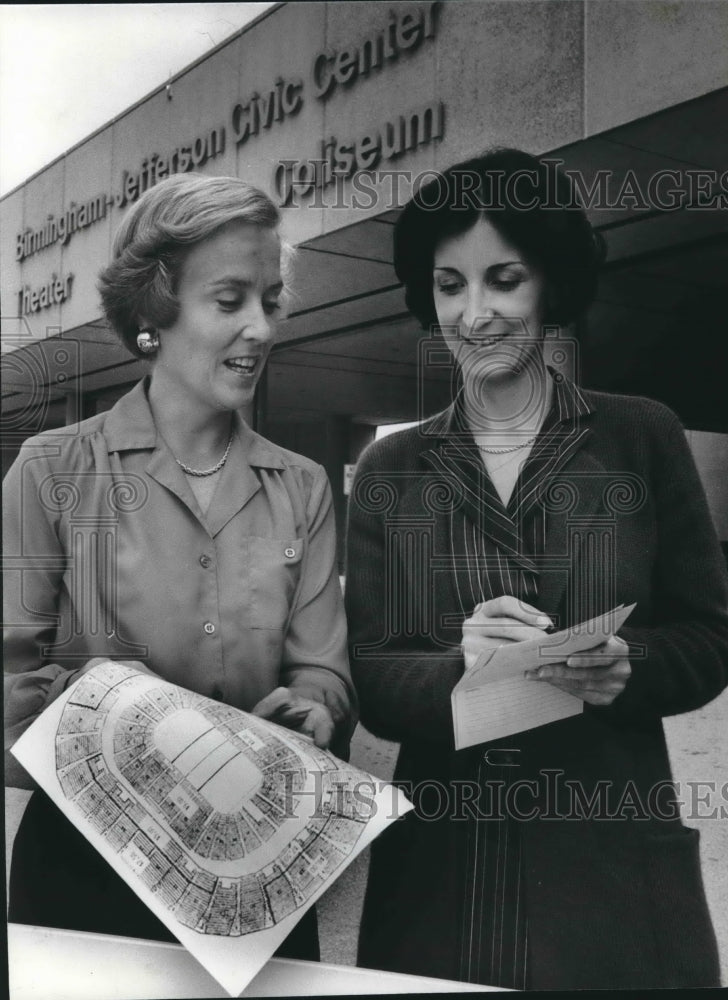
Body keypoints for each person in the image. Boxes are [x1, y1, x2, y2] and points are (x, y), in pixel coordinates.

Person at [345, 148, 728, 989]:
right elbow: (373, 675)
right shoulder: (393, 470)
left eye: (503, 279)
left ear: (550, 283)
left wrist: (633, 666)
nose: (474, 314)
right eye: (450, 285)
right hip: (447, 881)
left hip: (611, 874)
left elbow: (709, 635)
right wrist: (460, 666)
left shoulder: (640, 435)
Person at [4, 173, 356, 958]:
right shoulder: (51, 471)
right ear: (154, 316)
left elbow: (325, 673)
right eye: (230, 301)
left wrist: (316, 710)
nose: (262, 328)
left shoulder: (301, 486)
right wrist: (164, 740)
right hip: (89, 884)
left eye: (270, 299)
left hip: (261, 886)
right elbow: (9, 689)